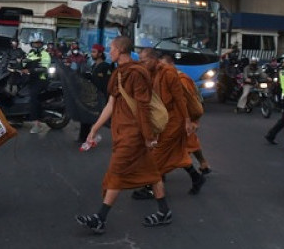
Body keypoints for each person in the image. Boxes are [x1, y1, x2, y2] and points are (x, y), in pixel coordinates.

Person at [75, 36, 172, 233]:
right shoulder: (119, 73)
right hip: (121, 131)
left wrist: (148, 136)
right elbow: (111, 104)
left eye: (112, 48)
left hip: (134, 133)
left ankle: (100, 218)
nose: (109, 52)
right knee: (152, 174)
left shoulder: (137, 73)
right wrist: (94, 128)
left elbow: (143, 107)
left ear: (120, 50)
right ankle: (164, 211)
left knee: (116, 172)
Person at [133, 48, 204, 198]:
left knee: (157, 153)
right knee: (177, 154)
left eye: (144, 61)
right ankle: (197, 178)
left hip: (174, 120)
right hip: (161, 120)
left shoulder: (168, 73)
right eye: (140, 61)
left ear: (154, 59)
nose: (142, 64)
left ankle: (150, 187)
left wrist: (187, 121)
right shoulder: (150, 73)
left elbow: (180, 99)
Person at [162, 54, 212, 174]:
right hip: (175, 117)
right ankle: (202, 165)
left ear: (172, 65)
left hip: (184, 118)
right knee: (191, 143)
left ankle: (193, 175)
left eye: (164, 66)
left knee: (179, 147)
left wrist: (192, 121)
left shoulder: (182, 79)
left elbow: (189, 102)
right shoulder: (168, 77)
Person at [78, 44, 112, 142]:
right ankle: (84, 137)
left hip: (100, 97)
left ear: (100, 54)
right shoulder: (94, 66)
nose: (92, 54)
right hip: (92, 96)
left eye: (94, 52)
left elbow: (107, 83)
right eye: (92, 51)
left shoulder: (105, 66)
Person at [24, 33, 51, 134]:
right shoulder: (30, 53)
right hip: (31, 79)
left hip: (41, 80)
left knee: (33, 96)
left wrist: (30, 70)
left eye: (39, 43)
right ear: (31, 44)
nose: (37, 45)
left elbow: (43, 68)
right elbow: (24, 62)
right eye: (35, 43)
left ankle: (37, 124)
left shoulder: (45, 54)